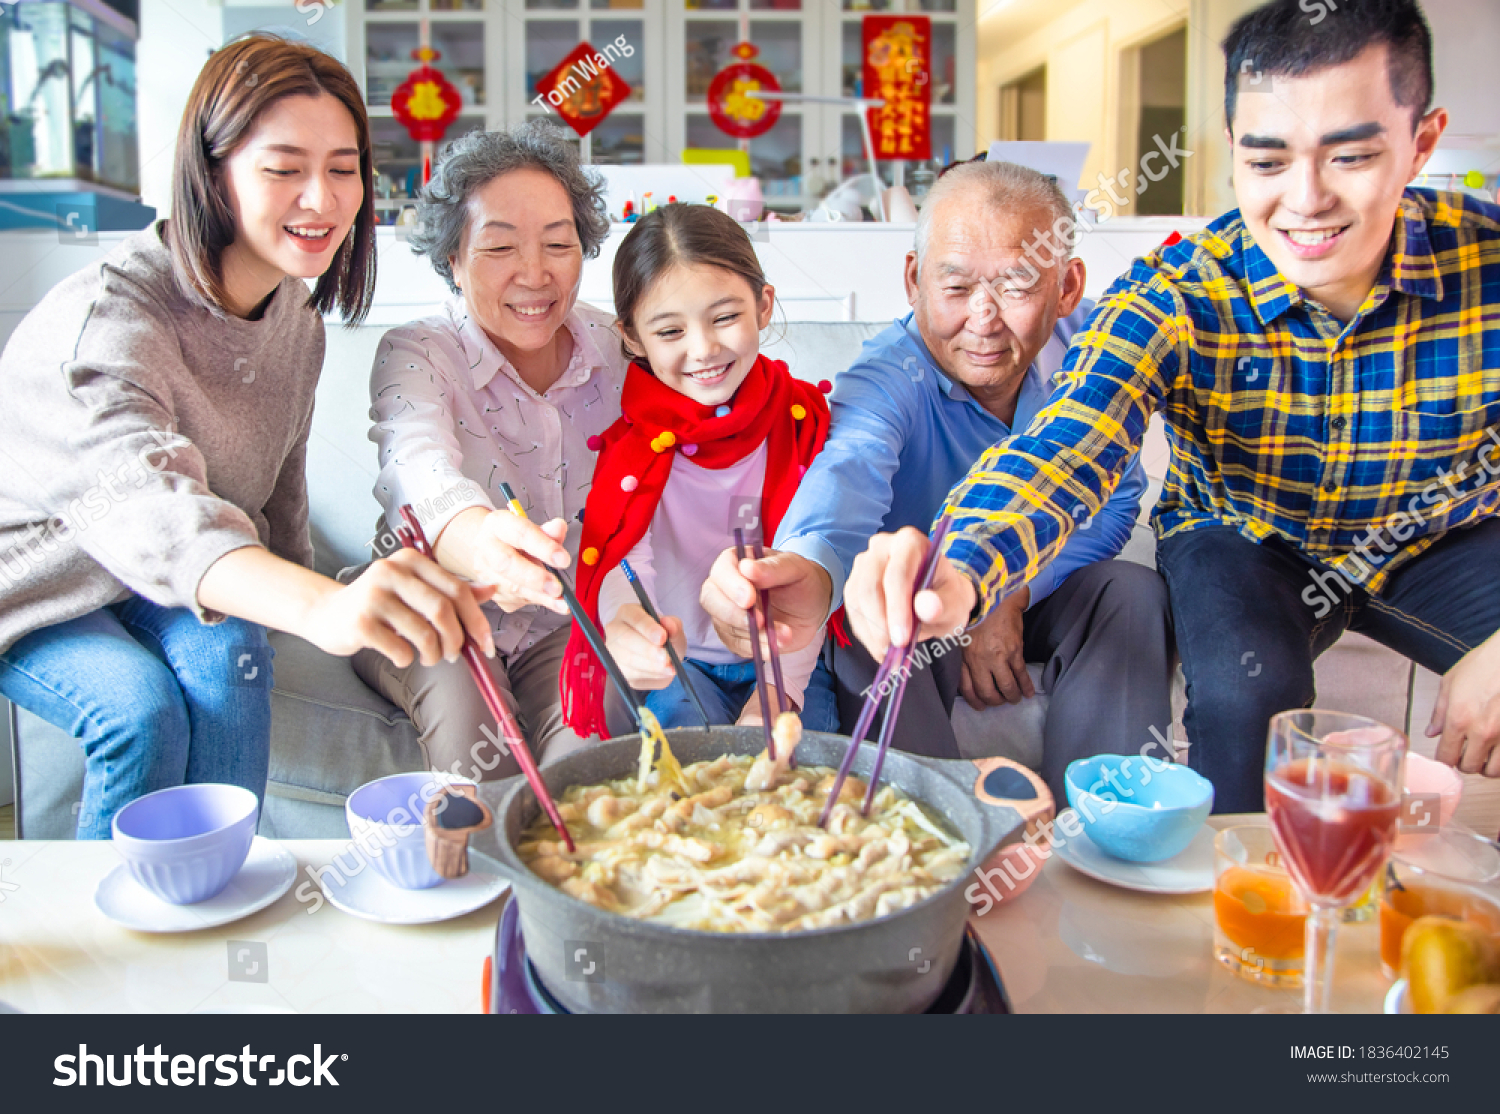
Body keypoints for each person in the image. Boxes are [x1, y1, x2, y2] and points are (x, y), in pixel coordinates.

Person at [839, 0, 1500, 812]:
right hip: (1248, 538)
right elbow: (1070, 444)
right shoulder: (1175, 290)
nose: (1306, 200)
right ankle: (1235, 915)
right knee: (1243, 698)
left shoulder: (1486, 263)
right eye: (1267, 163)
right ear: (1232, 152)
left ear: (1420, 144)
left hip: (1442, 539)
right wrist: (966, 563)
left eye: (1352, 156)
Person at [0, 36, 493, 839]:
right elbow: (154, 516)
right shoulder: (109, 323)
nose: (322, 199)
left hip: (184, 585)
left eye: (342, 168)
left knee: (235, 665)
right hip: (51, 584)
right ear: (213, 171)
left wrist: (297, 594)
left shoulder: (294, 314)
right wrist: (326, 606)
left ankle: (218, 898)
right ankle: (111, 941)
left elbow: (278, 485)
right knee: (139, 710)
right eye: (284, 168)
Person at [701, 161, 1173, 798]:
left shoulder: (1093, 353)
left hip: (1041, 592)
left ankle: (1106, 827)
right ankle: (944, 834)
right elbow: (845, 476)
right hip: (924, 610)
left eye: (1017, 286)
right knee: (870, 624)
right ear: (913, 280)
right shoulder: (889, 376)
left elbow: (1116, 505)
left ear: (1066, 288)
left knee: (1132, 592)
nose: (983, 319)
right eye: (955, 288)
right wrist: (805, 572)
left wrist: (1009, 593)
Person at [354, 123, 630, 780]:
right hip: (431, 601)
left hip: (561, 618)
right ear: (452, 257)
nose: (535, 274)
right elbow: (417, 470)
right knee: (479, 750)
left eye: (559, 245)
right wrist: (488, 548)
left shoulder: (620, 348)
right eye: (499, 246)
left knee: (587, 771)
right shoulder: (416, 351)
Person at [561, 203, 838, 737]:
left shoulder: (809, 425)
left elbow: (819, 560)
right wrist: (630, 626)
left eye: (725, 317)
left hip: (793, 662)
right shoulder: (629, 452)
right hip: (685, 668)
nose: (704, 349)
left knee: (801, 782)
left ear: (763, 305)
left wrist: (776, 694)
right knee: (682, 778)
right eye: (670, 332)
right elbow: (624, 562)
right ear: (633, 338)